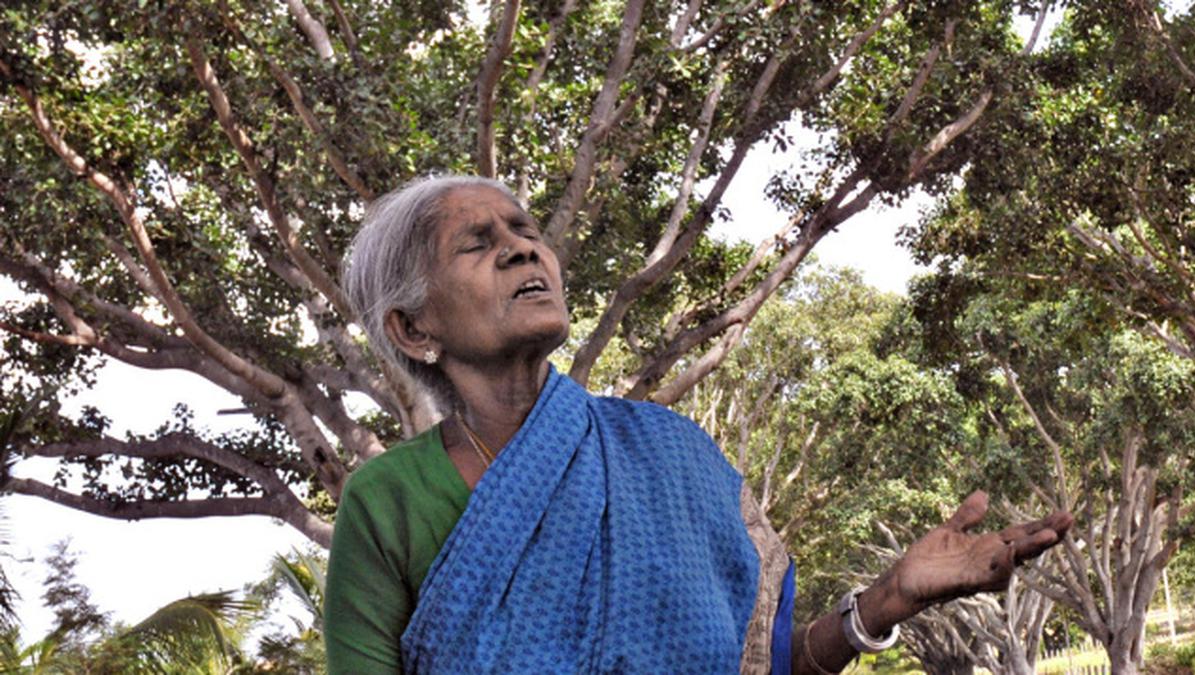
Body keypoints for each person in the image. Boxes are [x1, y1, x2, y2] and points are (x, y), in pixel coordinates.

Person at [325, 175, 1072, 674]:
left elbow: (762, 662)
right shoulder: (388, 501)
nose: (522, 246)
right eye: (477, 242)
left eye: (524, 228)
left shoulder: (669, 455)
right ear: (415, 329)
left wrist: (886, 601)